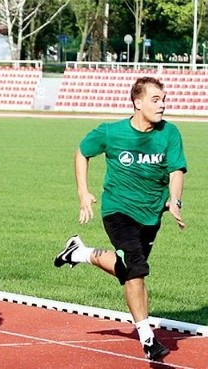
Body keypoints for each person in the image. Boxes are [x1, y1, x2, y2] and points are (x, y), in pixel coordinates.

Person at [54, 76, 186, 361]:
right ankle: (149, 339)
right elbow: (82, 151)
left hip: (151, 214)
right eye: (155, 99)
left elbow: (177, 170)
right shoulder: (111, 132)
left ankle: (80, 252)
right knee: (136, 268)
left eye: (163, 99)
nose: (162, 105)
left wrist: (175, 201)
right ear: (137, 102)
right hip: (117, 211)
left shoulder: (170, 133)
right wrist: (83, 192)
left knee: (129, 269)